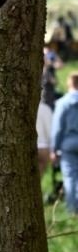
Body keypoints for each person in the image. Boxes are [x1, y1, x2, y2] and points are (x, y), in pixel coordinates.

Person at [51, 72, 78, 215]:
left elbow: (58, 128)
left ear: (70, 84)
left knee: (70, 177)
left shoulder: (63, 103)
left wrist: (54, 148)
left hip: (68, 144)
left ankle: (72, 211)